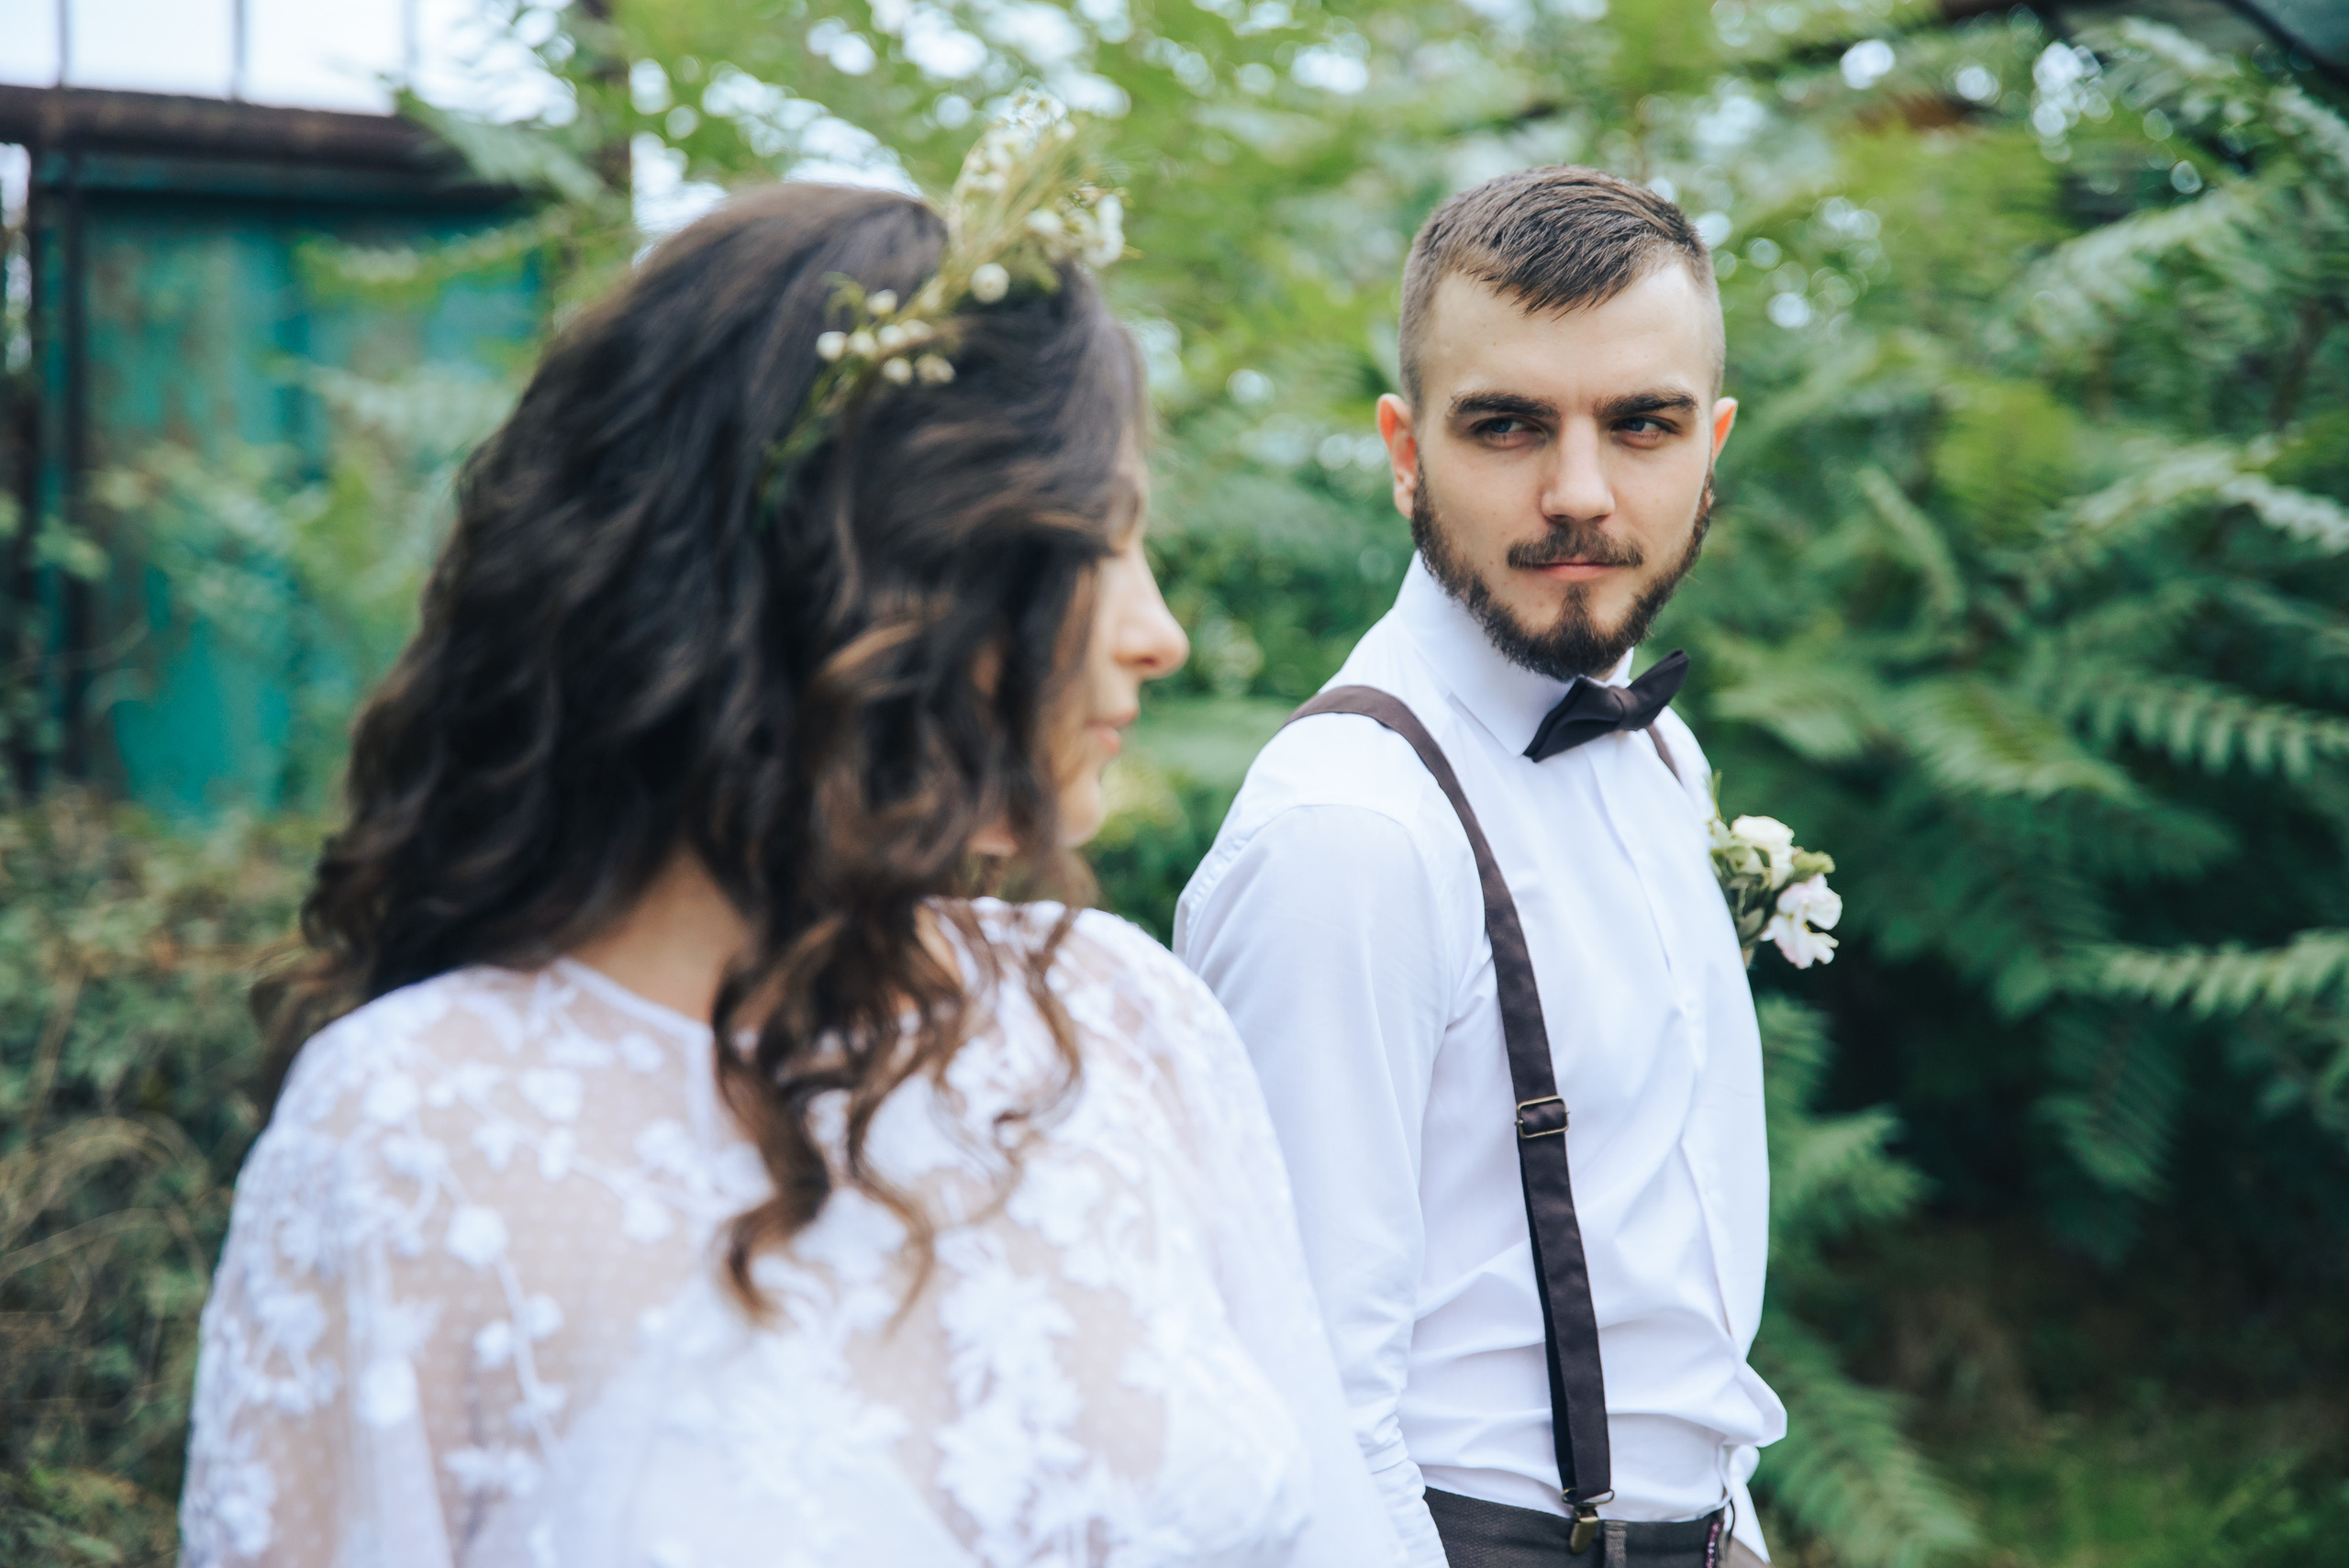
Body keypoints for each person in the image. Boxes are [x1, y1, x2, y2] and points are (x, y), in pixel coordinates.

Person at [179, 103, 1402, 1568]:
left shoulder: (1128, 1021)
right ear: (886, 573)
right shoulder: (411, 1135)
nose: (1161, 634)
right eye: (1103, 540)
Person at [1175, 167, 1785, 1568]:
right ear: (1405, 450)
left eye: (1642, 423)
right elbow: (1308, 1405)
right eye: (1506, 424)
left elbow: (1669, 1262)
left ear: (1712, 445)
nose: (1579, 493)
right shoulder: (1351, 834)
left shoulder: (1663, 754)